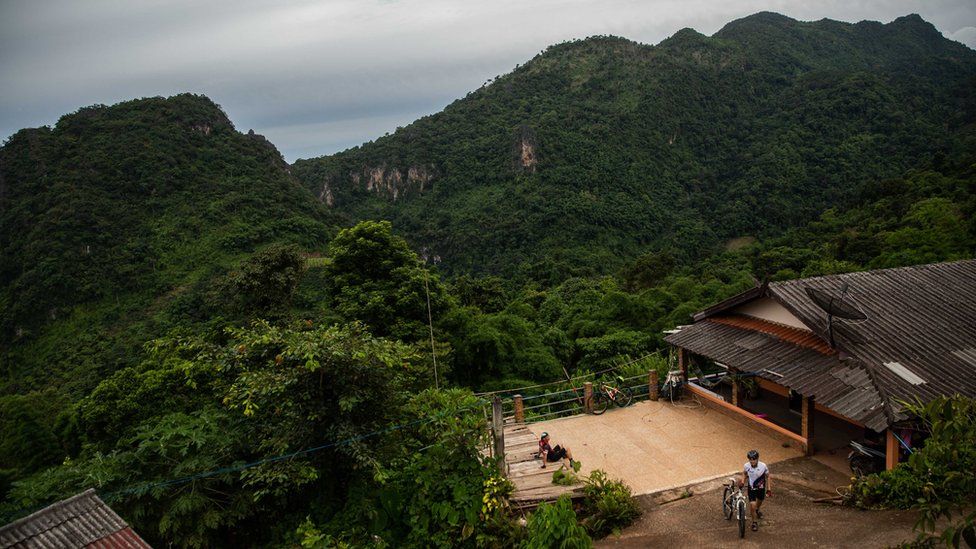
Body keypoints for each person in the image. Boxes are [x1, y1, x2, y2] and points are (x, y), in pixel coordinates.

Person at [740, 449, 772, 532]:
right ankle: (754, 522)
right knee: (752, 505)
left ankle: (757, 510)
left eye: (754, 459)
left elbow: (768, 476)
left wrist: (769, 489)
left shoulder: (763, 466)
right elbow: (744, 473)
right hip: (752, 488)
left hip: (761, 488)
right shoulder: (747, 466)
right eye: (750, 459)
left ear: (757, 459)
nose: (752, 461)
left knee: (760, 501)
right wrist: (742, 481)